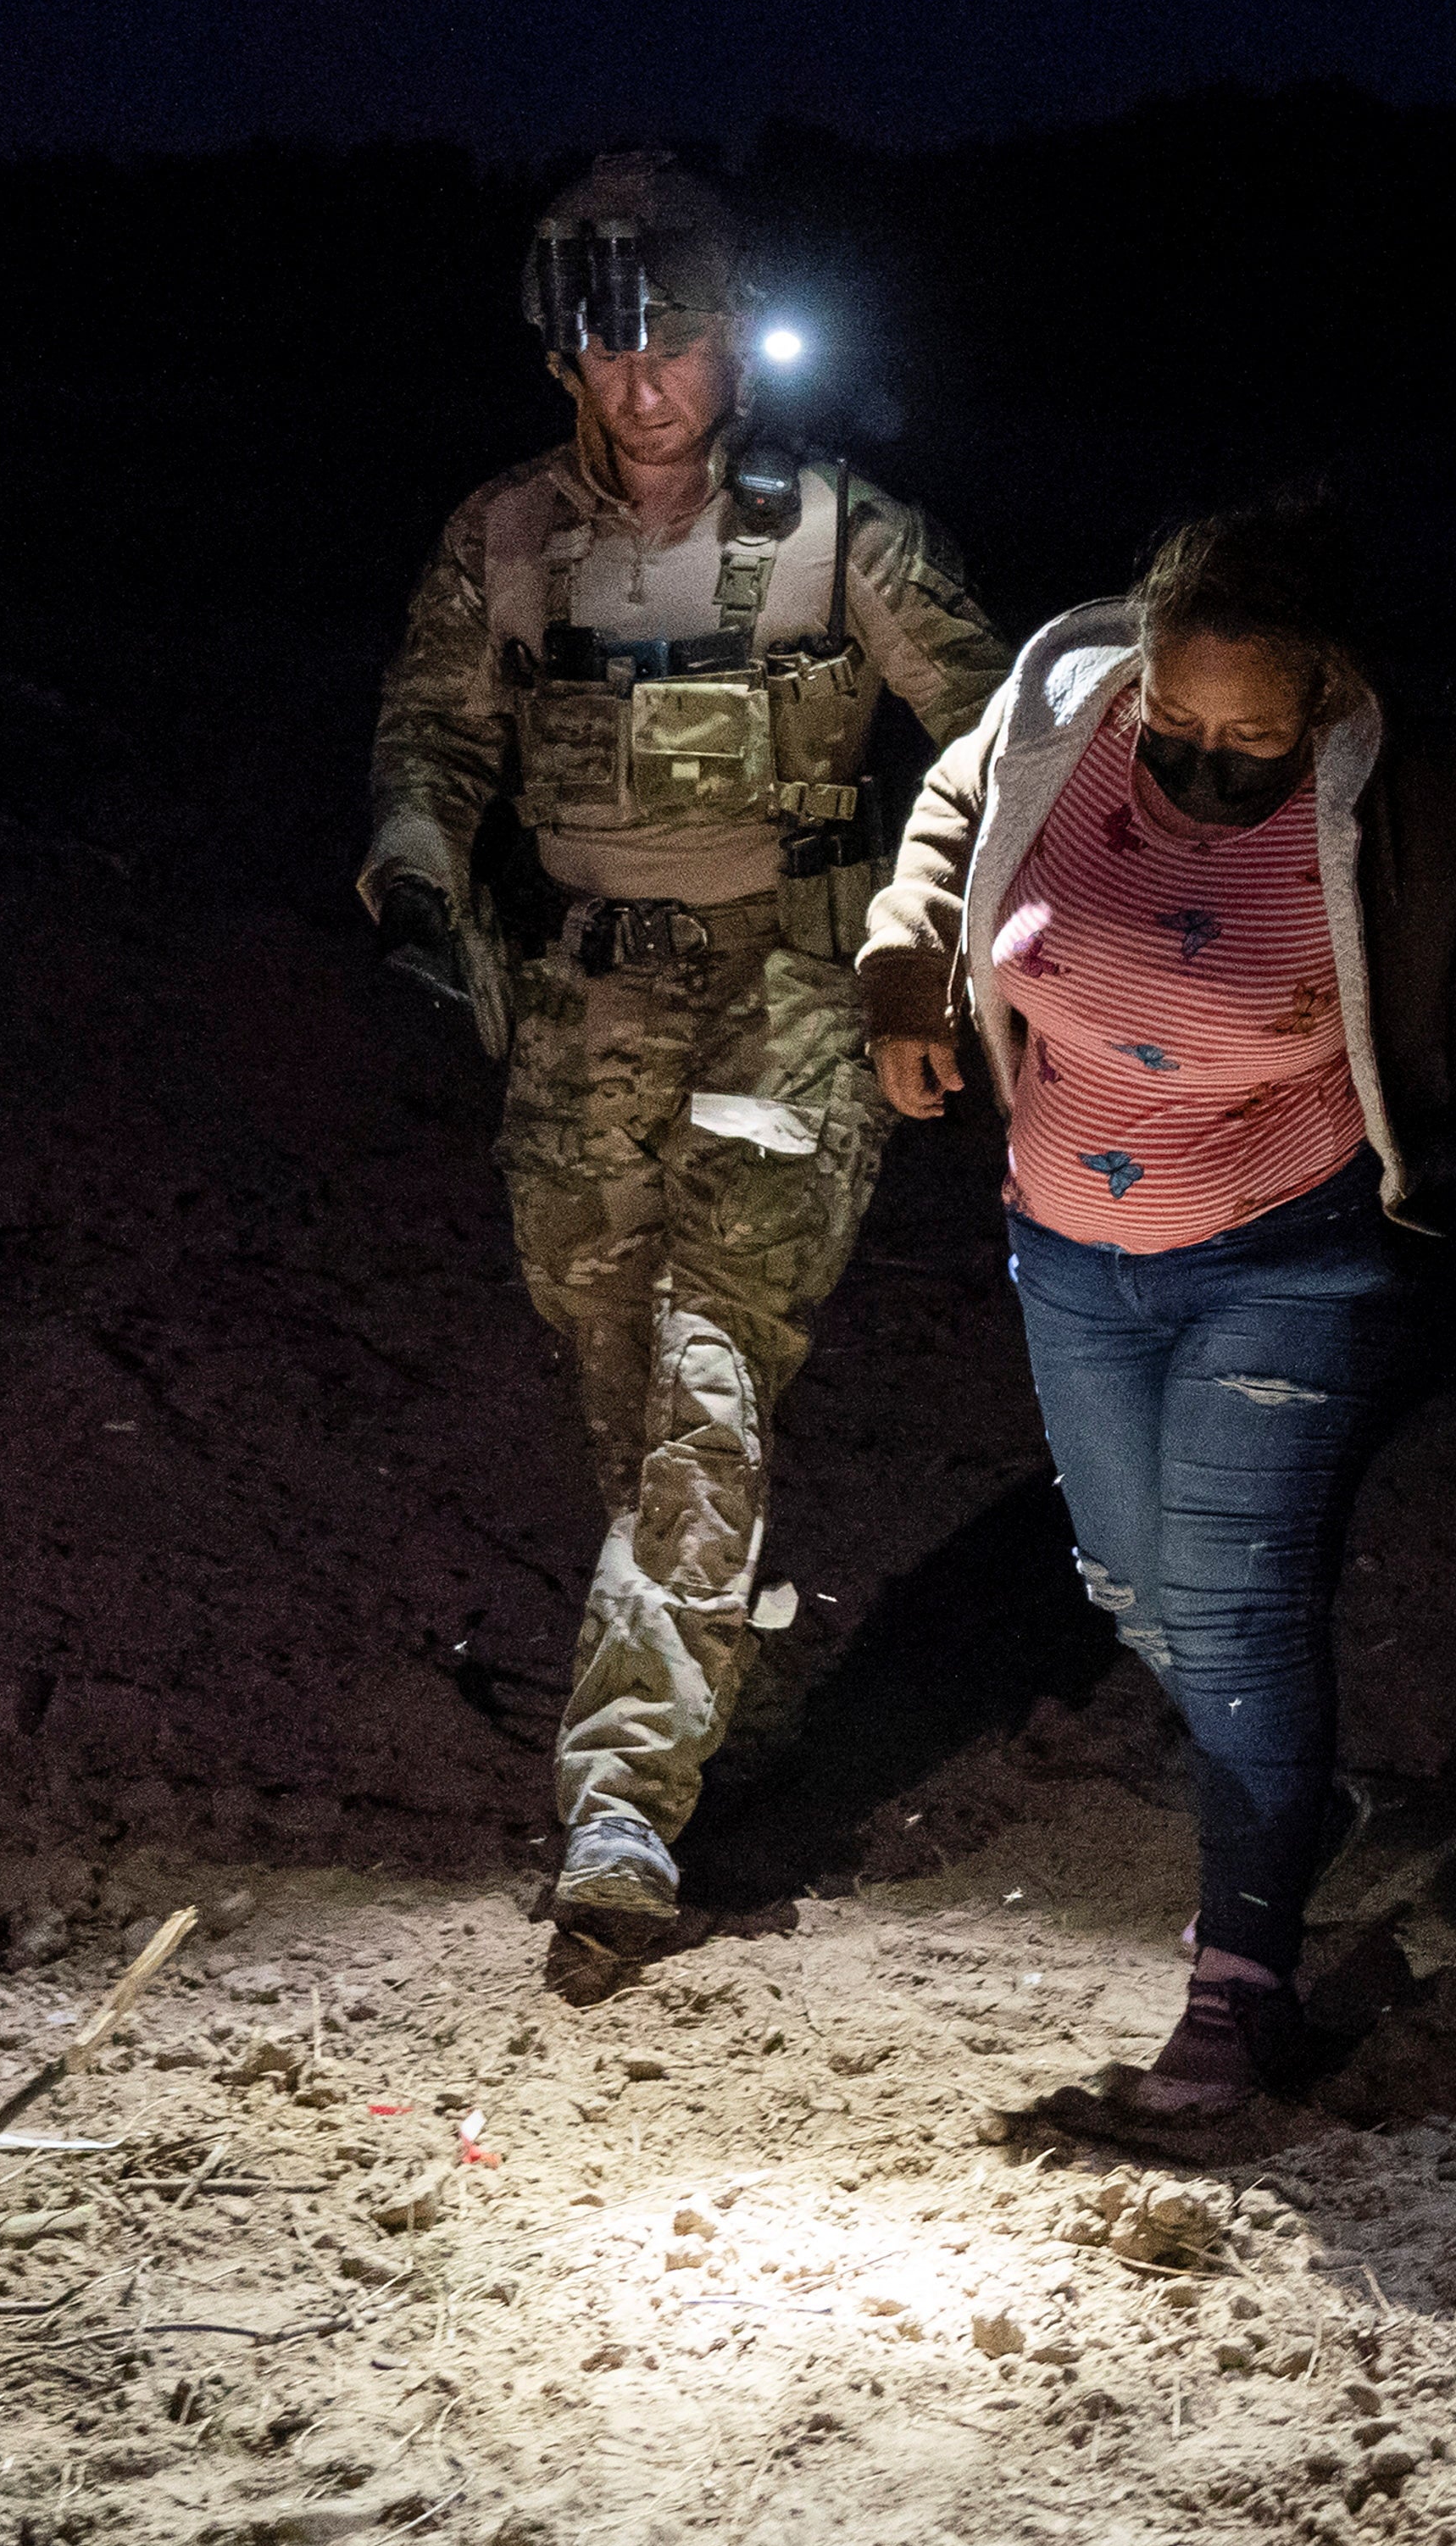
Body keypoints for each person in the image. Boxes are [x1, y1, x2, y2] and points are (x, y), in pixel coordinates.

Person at [859, 501, 1456, 2117]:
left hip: (1289, 1252)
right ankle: (1300, 1815)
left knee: (1240, 1613)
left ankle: (1240, 1988)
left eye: (1245, 738)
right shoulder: (1062, 705)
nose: (1195, 759)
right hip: (1069, 1245)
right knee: (1135, 1588)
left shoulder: (1399, 791)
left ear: (1326, 698)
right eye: (1172, 723)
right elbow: (950, 810)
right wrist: (905, 967)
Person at [358, 151, 1014, 1959]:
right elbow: (432, 744)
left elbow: (999, 734)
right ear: (559, 355)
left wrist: (936, 940)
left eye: (681, 345)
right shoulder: (504, 538)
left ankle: (624, 1802)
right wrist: (415, 875)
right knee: (615, 1370)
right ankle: (730, 1682)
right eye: (610, 352)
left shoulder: (844, 534)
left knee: (709, 1368)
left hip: (793, 988)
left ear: (739, 340)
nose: (647, 386)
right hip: (579, 1001)